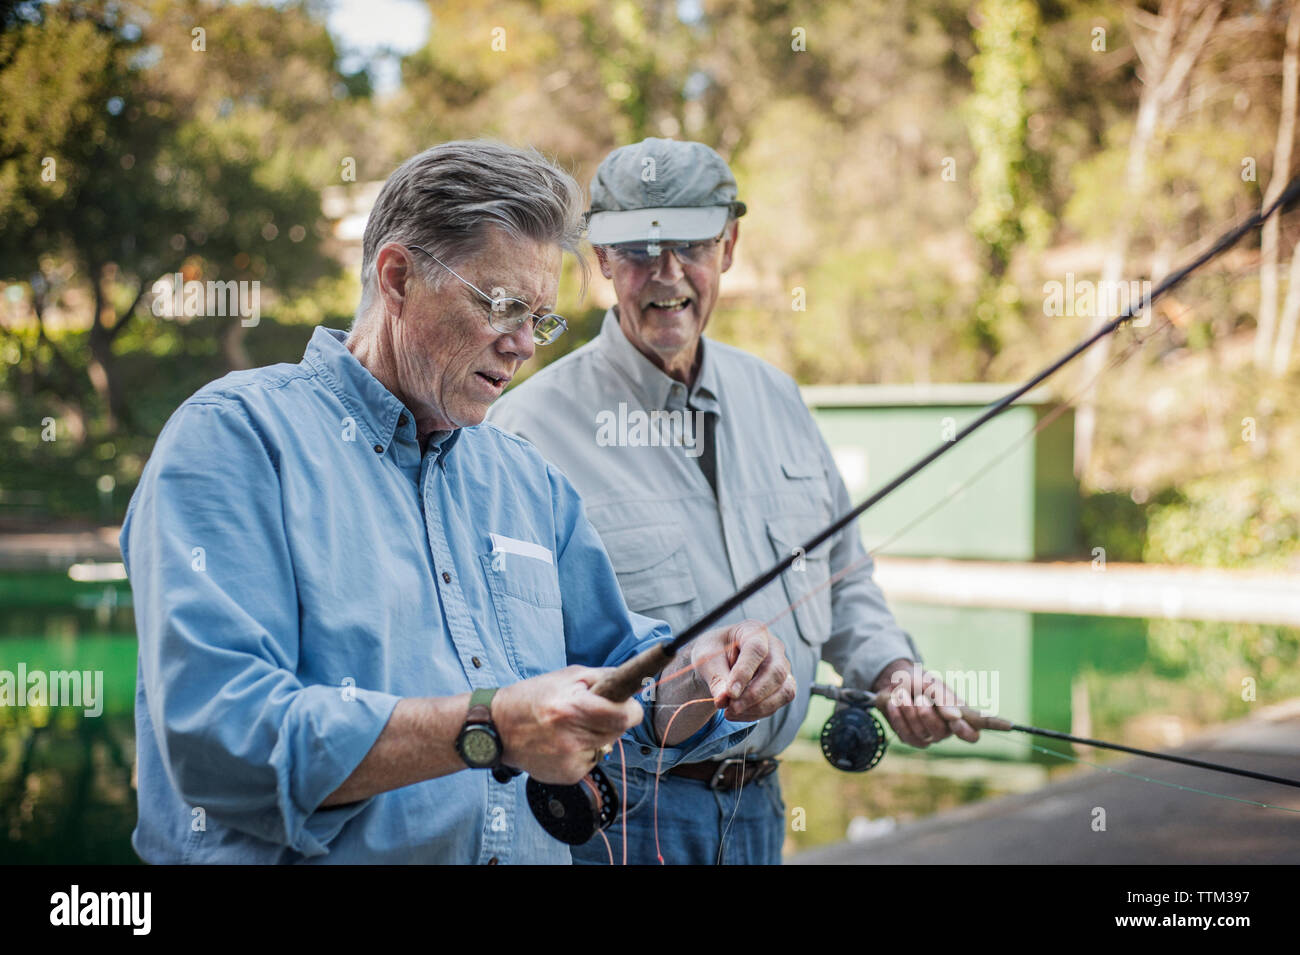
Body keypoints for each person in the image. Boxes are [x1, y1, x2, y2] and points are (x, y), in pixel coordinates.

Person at [120, 140, 795, 864]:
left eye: (540, 318)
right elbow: (224, 738)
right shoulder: (235, 438)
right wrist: (490, 727)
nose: (524, 345)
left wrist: (710, 674)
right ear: (398, 277)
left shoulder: (527, 480)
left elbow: (620, 677)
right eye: (503, 305)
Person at [488, 138, 980, 865]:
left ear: (730, 245)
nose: (665, 276)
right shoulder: (525, 429)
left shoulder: (777, 395)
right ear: (599, 262)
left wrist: (892, 672)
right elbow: (504, 664)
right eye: (634, 252)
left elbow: (846, 579)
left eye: (689, 245)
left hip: (761, 813)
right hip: (620, 820)